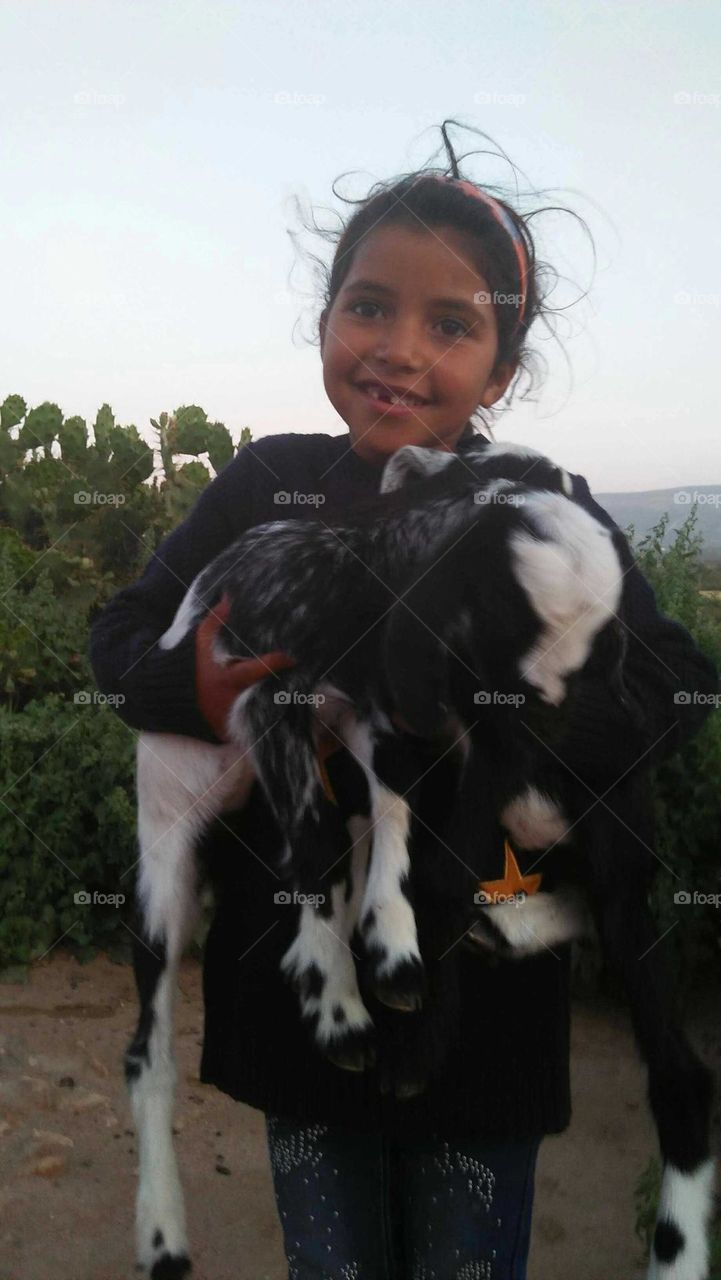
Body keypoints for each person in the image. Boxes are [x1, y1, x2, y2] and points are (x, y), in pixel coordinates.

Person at [89, 122, 718, 1279]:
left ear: (503, 367)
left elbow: (681, 675)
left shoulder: (543, 508)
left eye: (451, 324)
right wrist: (193, 685)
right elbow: (120, 635)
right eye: (368, 306)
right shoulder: (267, 482)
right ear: (325, 320)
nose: (399, 350)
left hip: (490, 1022)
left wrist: (514, 727)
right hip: (296, 1004)